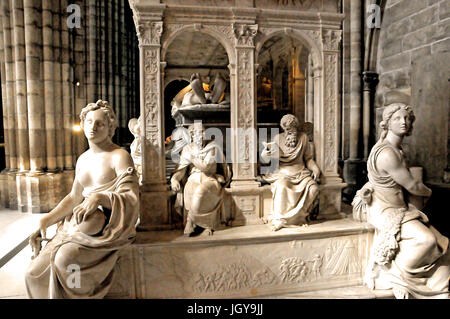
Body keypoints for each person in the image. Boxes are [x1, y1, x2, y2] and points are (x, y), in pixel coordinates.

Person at [25, 100, 139, 299]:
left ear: (110, 127)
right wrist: (46, 220)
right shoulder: (83, 159)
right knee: (33, 274)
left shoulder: (119, 156)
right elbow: (74, 197)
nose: (93, 127)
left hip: (106, 229)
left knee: (65, 263)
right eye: (88, 122)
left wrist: (100, 197)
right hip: (76, 225)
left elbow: (131, 198)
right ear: (82, 124)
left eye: (100, 123)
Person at [352, 103, 449, 299]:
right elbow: (413, 186)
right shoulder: (387, 153)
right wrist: (430, 191)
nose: (403, 122)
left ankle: (433, 284)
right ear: (387, 123)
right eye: (397, 118)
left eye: (407, 118)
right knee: (427, 240)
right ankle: (395, 275)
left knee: (442, 244)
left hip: (399, 207)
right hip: (385, 210)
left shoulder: (396, 150)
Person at [261, 114, 320, 231]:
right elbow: (269, 160)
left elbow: (308, 159)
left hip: (300, 172)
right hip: (282, 172)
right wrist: (265, 155)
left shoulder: (303, 138)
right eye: (286, 129)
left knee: (314, 189)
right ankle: (280, 219)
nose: (289, 132)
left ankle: (299, 218)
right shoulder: (277, 138)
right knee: (281, 187)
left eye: (291, 128)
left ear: (296, 127)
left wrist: (315, 168)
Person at [170, 122, 231, 236]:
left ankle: (193, 221)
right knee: (191, 188)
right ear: (192, 136)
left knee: (201, 191)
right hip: (193, 178)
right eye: (198, 133)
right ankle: (199, 224)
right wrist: (174, 179)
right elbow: (181, 170)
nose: (201, 136)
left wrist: (192, 158)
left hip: (210, 179)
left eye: (203, 132)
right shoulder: (187, 149)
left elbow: (207, 167)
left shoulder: (212, 147)